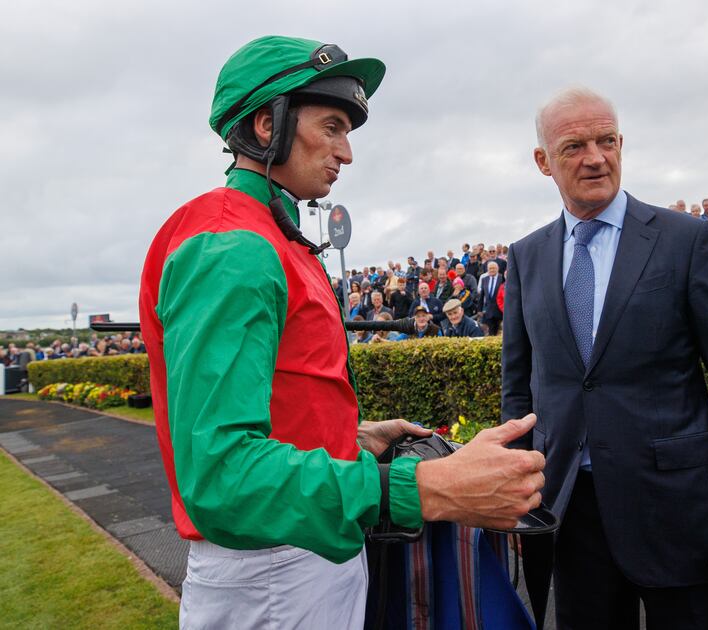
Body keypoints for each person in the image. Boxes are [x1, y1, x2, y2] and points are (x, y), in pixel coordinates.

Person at [138, 36, 545, 629]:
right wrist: (423, 487)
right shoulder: (234, 247)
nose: (346, 152)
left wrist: (345, 438)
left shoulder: (264, 232)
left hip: (297, 556)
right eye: (331, 126)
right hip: (273, 572)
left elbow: (275, 402)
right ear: (264, 123)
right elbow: (221, 475)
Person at [501, 87, 708, 630]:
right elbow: (519, 390)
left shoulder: (684, 241)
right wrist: (517, 496)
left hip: (681, 512)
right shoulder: (525, 257)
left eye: (606, 140)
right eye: (574, 147)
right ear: (543, 161)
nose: (595, 157)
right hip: (570, 514)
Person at [478, 260, 504, 335]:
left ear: (497, 269)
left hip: (500, 310)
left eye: (494, 268)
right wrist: (479, 309)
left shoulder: (502, 278)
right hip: (488, 311)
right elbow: (482, 296)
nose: (492, 270)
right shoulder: (484, 279)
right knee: (491, 333)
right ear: (487, 269)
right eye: (490, 268)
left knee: (499, 332)